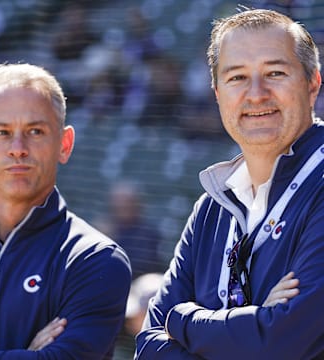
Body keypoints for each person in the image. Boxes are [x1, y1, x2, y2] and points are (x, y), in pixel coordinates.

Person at [135, 7, 324, 360]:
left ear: (313, 83)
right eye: (237, 77)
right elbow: (147, 348)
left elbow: (282, 346)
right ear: (217, 92)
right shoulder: (211, 207)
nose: (256, 93)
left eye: (275, 73)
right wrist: (252, 326)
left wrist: (183, 320)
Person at [0, 63, 131, 359]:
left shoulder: (95, 259)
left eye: (35, 131)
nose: (18, 148)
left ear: (64, 144)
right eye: (2, 132)